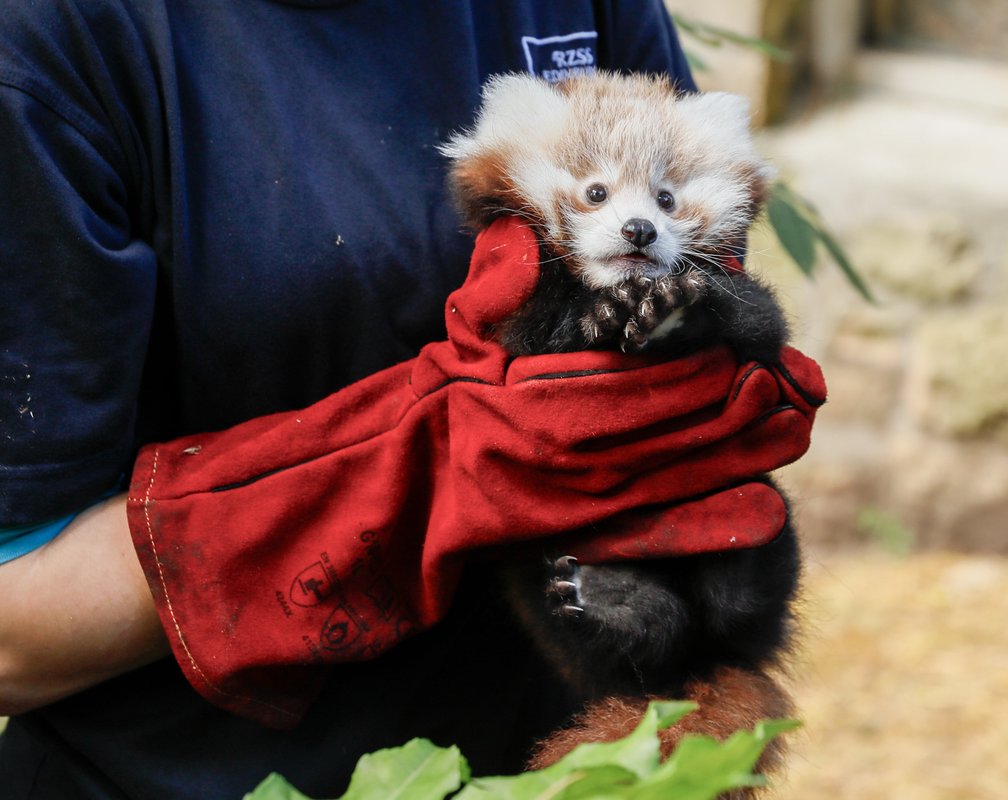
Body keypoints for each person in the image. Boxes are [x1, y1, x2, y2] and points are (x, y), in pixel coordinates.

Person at [0, 2, 824, 798]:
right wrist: (416, 483)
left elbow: (710, 316)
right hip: (209, 775)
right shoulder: (52, 43)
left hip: (567, 748)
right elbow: (12, 638)